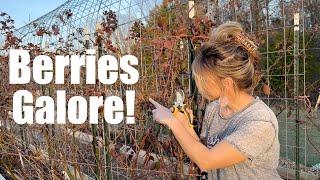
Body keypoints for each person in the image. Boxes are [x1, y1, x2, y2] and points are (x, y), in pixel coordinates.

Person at [149, 21, 282, 180]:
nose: (200, 86)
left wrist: (172, 122)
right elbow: (204, 151)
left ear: (226, 83)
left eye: (204, 80)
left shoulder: (260, 121)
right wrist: (185, 125)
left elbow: (207, 161)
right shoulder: (214, 108)